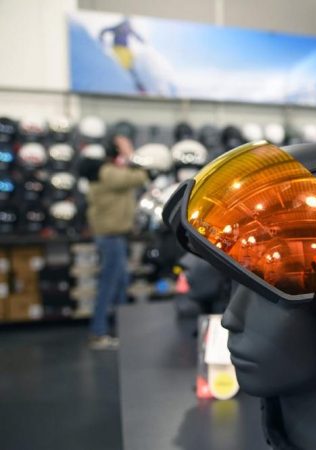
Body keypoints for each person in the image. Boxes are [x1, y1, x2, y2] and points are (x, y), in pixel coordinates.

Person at [84, 135, 148, 349]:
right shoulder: (109, 173)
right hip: (110, 237)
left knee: (119, 283)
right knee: (109, 284)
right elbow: (139, 176)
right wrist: (129, 154)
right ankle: (99, 332)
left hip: (114, 236)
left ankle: (121, 330)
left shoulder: (108, 171)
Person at [98, 17, 145, 91]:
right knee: (125, 65)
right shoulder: (117, 27)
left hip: (126, 49)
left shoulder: (128, 28)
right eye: (125, 24)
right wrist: (101, 36)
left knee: (131, 64)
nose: (125, 27)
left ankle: (138, 83)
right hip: (118, 49)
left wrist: (141, 40)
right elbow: (105, 30)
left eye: (127, 24)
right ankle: (133, 81)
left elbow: (135, 35)